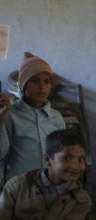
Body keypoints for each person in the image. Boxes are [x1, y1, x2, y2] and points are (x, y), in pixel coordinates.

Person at [0, 52, 66, 186]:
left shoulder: (56, 118)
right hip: (18, 186)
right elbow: (1, 154)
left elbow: (61, 154)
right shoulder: (10, 115)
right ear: (23, 85)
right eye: (34, 81)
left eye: (46, 81)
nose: (42, 86)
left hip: (49, 185)